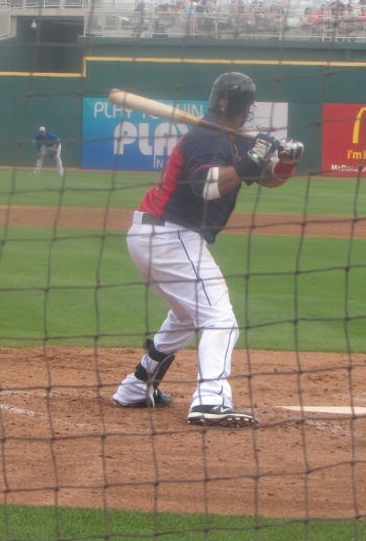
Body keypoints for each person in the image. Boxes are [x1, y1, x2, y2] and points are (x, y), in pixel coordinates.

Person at [113, 72, 305, 428]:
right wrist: (251, 160)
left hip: (161, 235)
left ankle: (137, 386)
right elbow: (206, 186)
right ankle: (210, 401)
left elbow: (268, 178)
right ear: (243, 107)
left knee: (186, 317)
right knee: (220, 318)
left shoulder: (232, 141)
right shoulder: (205, 139)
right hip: (169, 235)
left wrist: (285, 160)